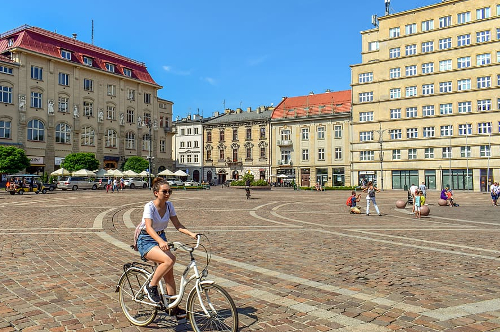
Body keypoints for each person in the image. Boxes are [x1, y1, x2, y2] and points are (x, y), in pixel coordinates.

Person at [136, 177, 197, 319]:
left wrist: (191, 234)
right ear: (156, 192)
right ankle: (151, 286)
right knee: (169, 260)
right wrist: (159, 241)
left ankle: (173, 308)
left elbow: (178, 225)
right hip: (146, 239)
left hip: (160, 238)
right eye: (165, 191)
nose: (168, 193)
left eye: (170, 191)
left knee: (169, 273)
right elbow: (149, 228)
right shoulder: (149, 207)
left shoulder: (169, 206)